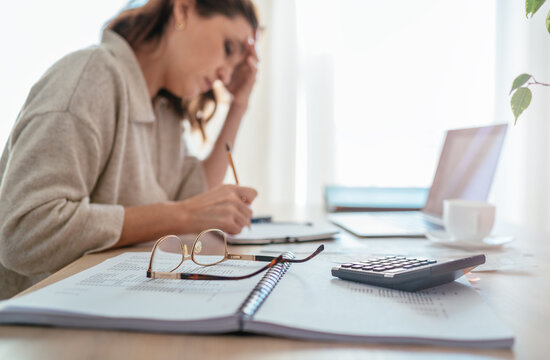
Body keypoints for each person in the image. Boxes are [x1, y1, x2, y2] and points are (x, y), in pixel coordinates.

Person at [0, 0, 260, 299]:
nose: (226, 77)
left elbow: (194, 198)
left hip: (108, 308)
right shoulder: (90, 76)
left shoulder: (164, 109)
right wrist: (182, 215)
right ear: (183, 10)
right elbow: (24, 234)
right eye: (228, 48)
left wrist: (238, 105)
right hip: (38, 328)